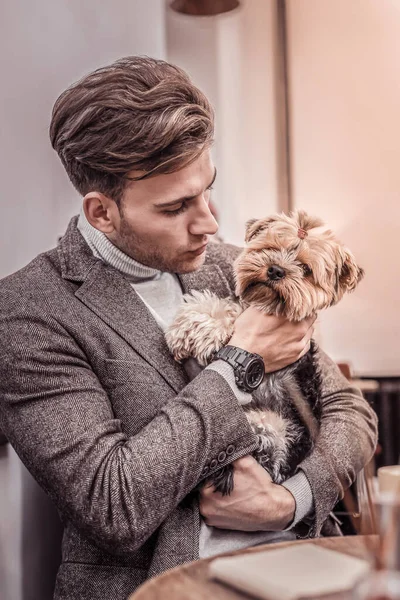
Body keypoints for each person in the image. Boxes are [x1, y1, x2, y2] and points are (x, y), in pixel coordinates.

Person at [0, 56, 377, 600]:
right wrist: (240, 362)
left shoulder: (234, 266)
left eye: (207, 189)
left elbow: (351, 414)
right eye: (177, 206)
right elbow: (115, 505)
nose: (211, 222)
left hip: (310, 567)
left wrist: (289, 500)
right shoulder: (27, 312)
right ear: (102, 213)